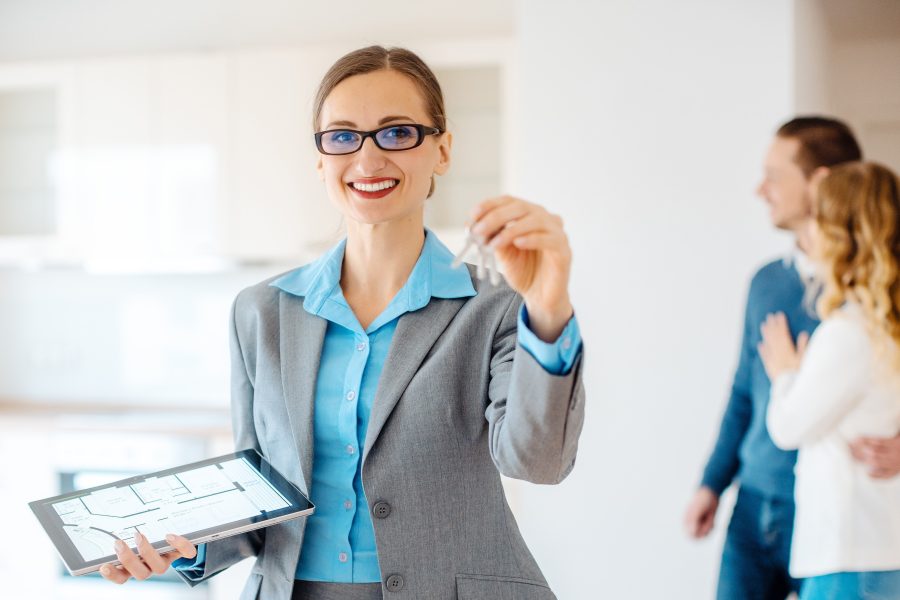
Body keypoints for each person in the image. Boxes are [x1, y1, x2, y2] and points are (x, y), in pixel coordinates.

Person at [98, 45, 585, 600]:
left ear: (443, 150)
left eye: (397, 133)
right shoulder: (261, 311)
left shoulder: (495, 306)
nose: (368, 159)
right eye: (343, 136)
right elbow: (257, 489)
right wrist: (185, 542)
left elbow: (539, 461)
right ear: (321, 157)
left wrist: (548, 306)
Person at [683, 117, 900, 600]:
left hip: (839, 521)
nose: (762, 189)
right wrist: (711, 484)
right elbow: (744, 390)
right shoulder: (767, 282)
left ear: (819, 181)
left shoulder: (879, 297)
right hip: (756, 504)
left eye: (774, 175)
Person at [759, 161, 900, 599]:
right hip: (877, 545)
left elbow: (787, 428)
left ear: (841, 235)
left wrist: (785, 372)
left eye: (818, 217)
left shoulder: (847, 333)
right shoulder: (882, 326)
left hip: (847, 551)